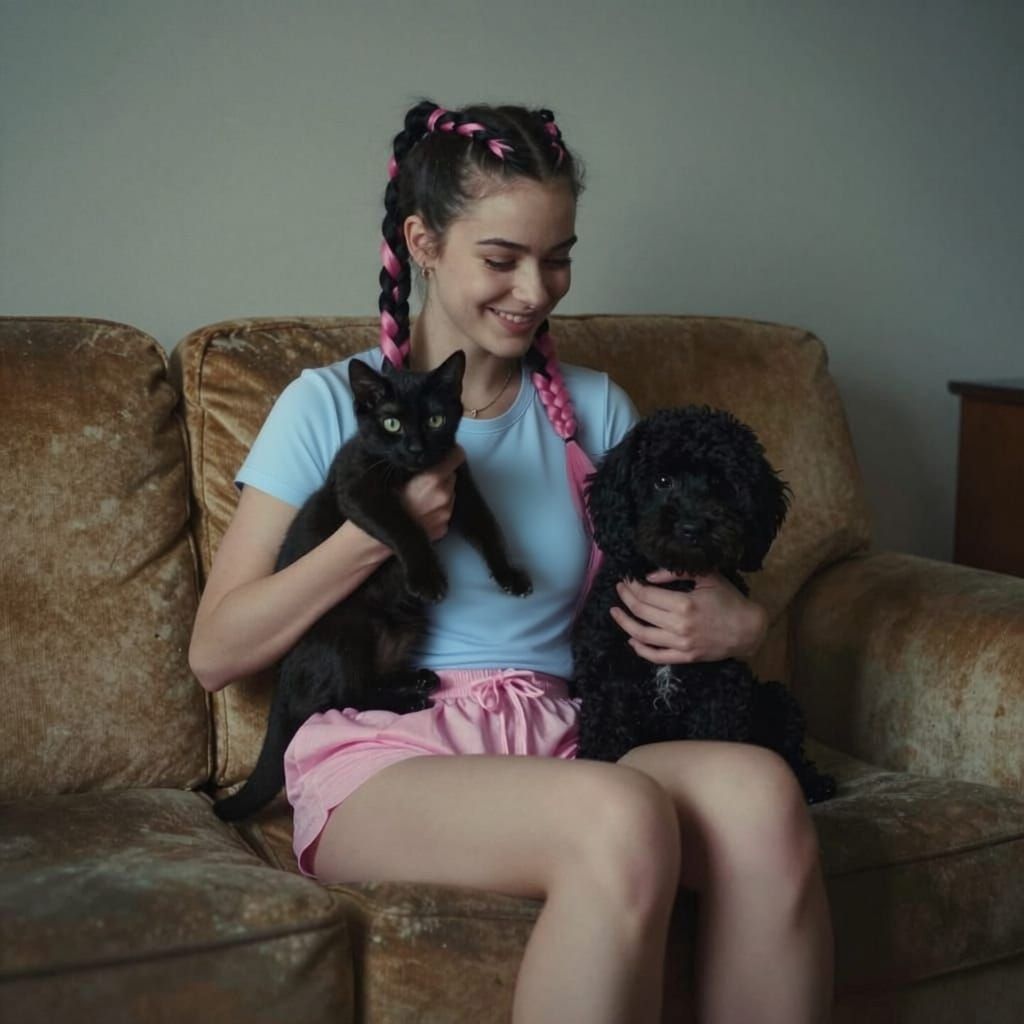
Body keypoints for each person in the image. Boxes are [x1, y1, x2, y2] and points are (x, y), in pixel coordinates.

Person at [189, 99, 834, 1024]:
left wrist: (746, 622)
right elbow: (216, 652)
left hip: (569, 735)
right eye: (502, 259)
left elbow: (674, 578)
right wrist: (377, 529)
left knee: (766, 797)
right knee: (619, 815)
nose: (535, 290)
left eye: (558, 256)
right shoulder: (325, 404)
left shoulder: (598, 410)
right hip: (385, 749)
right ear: (423, 241)